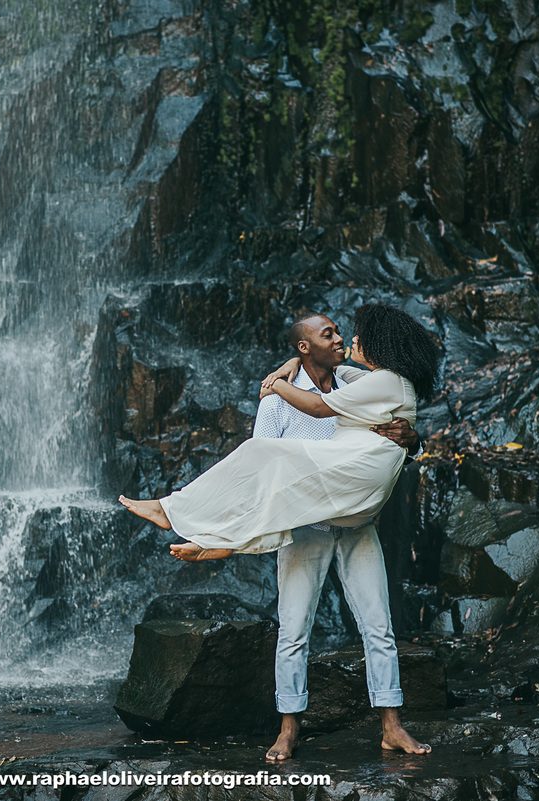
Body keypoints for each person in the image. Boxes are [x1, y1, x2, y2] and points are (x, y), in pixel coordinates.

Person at [118, 303, 441, 561]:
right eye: (333, 334)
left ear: (379, 343)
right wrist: (292, 362)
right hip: (357, 479)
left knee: (260, 454)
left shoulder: (384, 380)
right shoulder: (377, 379)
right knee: (273, 477)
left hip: (360, 469)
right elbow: (327, 366)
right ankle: (223, 540)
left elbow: (317, 407)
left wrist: (276, 385)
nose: (350, 339)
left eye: (358, 335)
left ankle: (173, 511)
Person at [252, 313, 431, 759]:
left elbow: (391, 448)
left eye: (339, 332)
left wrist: (414, 440)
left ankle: (392, 727)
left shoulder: (359, 389)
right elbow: (257, 463)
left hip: (357, 527)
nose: (339, 340)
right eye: (327, 334)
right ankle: (289, 728)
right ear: (303, 348)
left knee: (380, 627)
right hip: (305, 530)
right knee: (293, 631)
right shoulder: (277, 401)